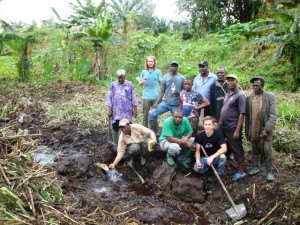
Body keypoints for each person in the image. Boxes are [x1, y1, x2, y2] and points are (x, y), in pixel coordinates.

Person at [245, 77, 277, 181]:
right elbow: (247, 117)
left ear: (262, 86)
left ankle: (269, 172)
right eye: (253, 85)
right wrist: (247, 131)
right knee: (255, 149)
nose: (255, 87)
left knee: (267, 150)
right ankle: (255, 167)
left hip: (265, 128)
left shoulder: (269, 97)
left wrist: (266, 130)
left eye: (257, 85)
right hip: (254, 128)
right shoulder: (249, 98)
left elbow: (273, 115)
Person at [219, 74, 247, 181]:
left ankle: (241, 171)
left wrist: (237, 130)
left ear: (237, 81)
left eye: (232, 80)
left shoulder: (240, 96)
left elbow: (242, 114)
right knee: (218, 141)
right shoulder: (227, 94)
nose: (230, 82)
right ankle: (221, 163)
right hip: (223, 126)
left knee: (237, 149)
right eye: (228, 80)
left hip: (232, 127)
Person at [148, 61, 185, 135]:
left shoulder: (181, 78)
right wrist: (157, 102)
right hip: (166, 102)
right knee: (151, 114)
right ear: (170, 67)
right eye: (172, 66)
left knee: (177, 120)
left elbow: (185, 91)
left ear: (177, 67)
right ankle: (154, 133)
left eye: (175, 66)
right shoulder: (165, 77)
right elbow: (162, 91)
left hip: (176, 104)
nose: (173, 67)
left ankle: (176, 135)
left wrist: (179, 92)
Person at [106, 69, 138, 145]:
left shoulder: (129, 85)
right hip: (116, 111)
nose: (121, 79)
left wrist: (135, 109)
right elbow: (109, 98)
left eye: (122, 77)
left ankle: (127, 142)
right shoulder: (113, 85)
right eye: (119, 78)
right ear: (117, 77)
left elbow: (133, 98)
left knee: (127, 126)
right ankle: (115, 143)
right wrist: (110, 110)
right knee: (115, 126)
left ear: (125, 77)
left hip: (127, 111)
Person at [194, 116, 227, 182]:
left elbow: (224, 149)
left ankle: (218, 174)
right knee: (196, 168)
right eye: (205, 124)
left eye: (209, 124)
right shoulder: (199, 136)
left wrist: (212, 157)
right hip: (205, 158)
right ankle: (208, 170)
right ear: (203, 125)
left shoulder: (218, 134)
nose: (207, 126)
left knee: (223, 156)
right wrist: (198, 162)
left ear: (213, 126)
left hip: (215, 157)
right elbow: (197, 151)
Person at [139, 56, 162, 127]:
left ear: (154, 62)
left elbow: (161, 83)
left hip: (155, 96)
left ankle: (154, 132)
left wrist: (161, 95)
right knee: (145, 116)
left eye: (151, 61)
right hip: (146, 96)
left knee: (154, 115)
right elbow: (140, 84)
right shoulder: (144, 72)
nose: (150, 63)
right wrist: (143, 81)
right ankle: (144, 132)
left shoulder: (158, 72)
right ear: (147, 62)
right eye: (149, 61)